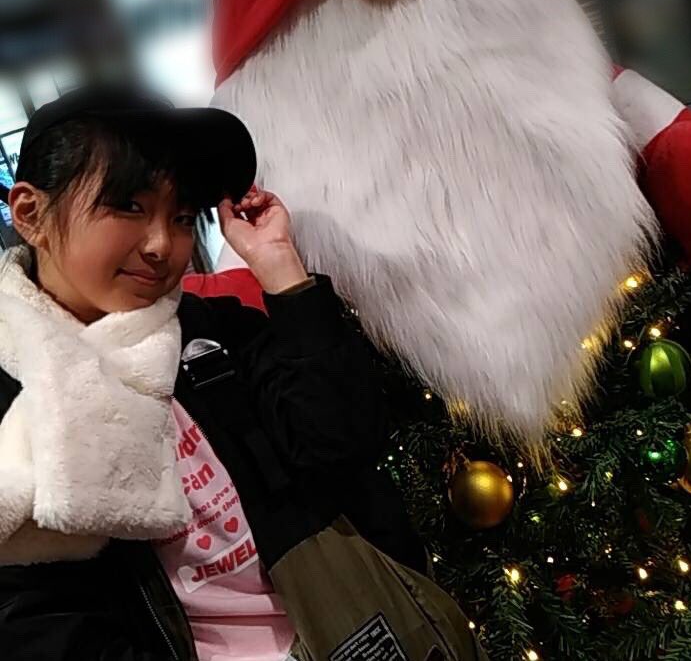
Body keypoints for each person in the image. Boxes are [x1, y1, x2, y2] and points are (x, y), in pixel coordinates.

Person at [0, 84, 425, 661]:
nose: (162, 245)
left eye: (180, 217)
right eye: (129, 206)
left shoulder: (213, 332)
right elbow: (35, 623)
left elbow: (343, 442)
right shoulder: (12, 402)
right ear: (31, 214)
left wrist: (280, 265)